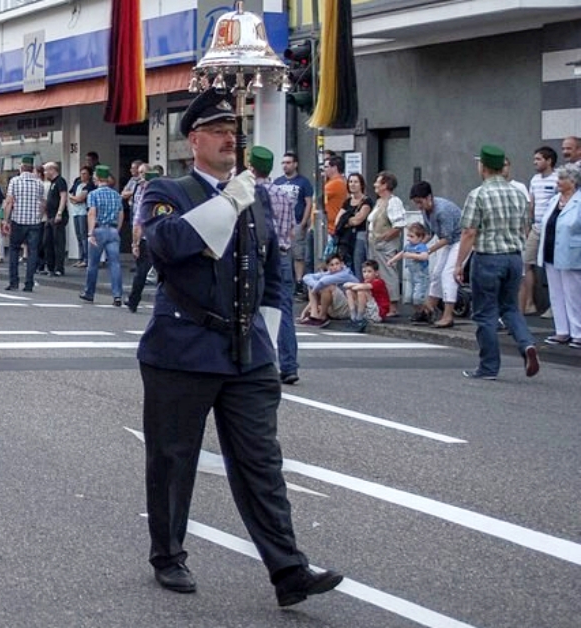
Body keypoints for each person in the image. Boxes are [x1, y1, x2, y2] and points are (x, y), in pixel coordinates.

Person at [138, 88, 342, 607]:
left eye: (235, 130)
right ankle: (168, 555)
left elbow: (274, 271)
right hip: (183, 347)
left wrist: (267, 339)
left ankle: (288, 568)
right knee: (173, 458)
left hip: (246, 351)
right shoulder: (169, 189)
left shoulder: (252, 195)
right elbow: (165, 245)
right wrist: (228, 201)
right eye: (220, 131)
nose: (231, 139)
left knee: (261, 463)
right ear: (194, 139)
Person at [456, 145, 540, 380]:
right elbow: (526, 227)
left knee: (485, 314)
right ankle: (527, 344)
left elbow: (469, 232)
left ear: (483, 167)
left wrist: (459, 263)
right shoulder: (517, 193)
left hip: (488, 258)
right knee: (511, 308)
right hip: (514, 256)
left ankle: (489, 367)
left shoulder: (478, 194)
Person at [250, 148, 300, 384]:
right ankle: (289, 365)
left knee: (253, 309)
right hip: (283, 254)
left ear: (251, 167)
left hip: (260, 256)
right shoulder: (283, 194)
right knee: (285, 311)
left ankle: (259, 363)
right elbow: (291, 229)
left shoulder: (250, 193)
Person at [536, 163, 581, 347]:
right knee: (556, 294)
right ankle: (562, 331)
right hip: (550, 251)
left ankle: (578, 332)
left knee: (574, 294)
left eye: (562, 178)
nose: (558, 181)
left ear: (573, 181)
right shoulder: (555, 200)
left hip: (572, 253)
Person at [408, 182, 463, 327]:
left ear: (429, 197)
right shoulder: (426, 210)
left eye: (420, 202)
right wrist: (418, 246)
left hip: (460, 240)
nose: (418, 206)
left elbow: (448, 237)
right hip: (447, 241)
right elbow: (429, 232)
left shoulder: (442, 210)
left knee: (448, 274)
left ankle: (448, 315)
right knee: (437, 273)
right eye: (416, 203)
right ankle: (429, 310)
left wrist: (428, 250)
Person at [79, 165, 124, 306]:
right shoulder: (117, 195)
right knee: (115, 264)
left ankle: (89, 292)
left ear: (97, 178)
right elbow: (121, 214)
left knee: (93, 264)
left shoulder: (93, 194)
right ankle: (117, 295)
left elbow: (92, 213)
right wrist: (117, 228)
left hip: (98, 230)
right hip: (113, 230)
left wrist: (90, 232)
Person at [522, 147, 558, 315]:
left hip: (552, 228)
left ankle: (554, 305)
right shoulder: (535, 179)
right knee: (527, 263)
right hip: (536, 227)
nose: (535, 162)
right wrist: (528, 227)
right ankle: (529, 303)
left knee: (552, 266)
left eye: (538, 159)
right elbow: (532, 205)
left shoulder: (558, 178)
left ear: (549, 160)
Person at [2, 156, 45, 292]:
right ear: (32, 168)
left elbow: (9, 202)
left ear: (21, 167)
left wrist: (5, 220)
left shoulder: (14, 181)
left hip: (18, 220)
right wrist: (39, 216)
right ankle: (29, 283)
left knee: (14, 250)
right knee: (33, 252)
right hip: (34, 222)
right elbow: (43, 203)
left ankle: (13, 282)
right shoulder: (39, 183)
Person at [127, 163, 164, 314]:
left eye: (143, 174)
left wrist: (135, 243)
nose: (140, 177)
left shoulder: (146, 195)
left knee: (141, 271)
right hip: (163, 237)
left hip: (147, 239)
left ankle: (133, 301)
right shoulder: (167, 193)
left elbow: (138, 221)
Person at [275, 152, 315, 285]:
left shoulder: (303, 182)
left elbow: (309, 202)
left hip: (297, 222)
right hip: (280, 225)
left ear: (295, 164)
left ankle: (298, 281)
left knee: (298, 254)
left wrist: (304, 222)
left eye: (288, 162)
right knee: (282, 253)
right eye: (283, 163)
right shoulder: (278, 182)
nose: (285, 165)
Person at [368, 171, 406, 302]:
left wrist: (384, 239)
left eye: (378, 182)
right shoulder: (379, 201)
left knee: (388, 273)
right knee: (378, 274)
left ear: (385, 185)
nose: (375, 185)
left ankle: (393, 303)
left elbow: (399, 226)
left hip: (385, 245)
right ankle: (382, 302)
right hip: (375, 243)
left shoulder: (394, 202)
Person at [300, 254, 357, 326]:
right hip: (335, 307)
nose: (335, 267)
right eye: (332, 265)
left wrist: (315, 290)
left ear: (342, 264)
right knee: (312, 285)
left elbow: (324, 281)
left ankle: (322, 316)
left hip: (347, 308)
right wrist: (304, 312)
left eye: (337, 264)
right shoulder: (328, 273)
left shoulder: (345, 274)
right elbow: (307, 277)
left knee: (328, 286)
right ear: (328, 267)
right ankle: (314, 315)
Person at [342, 260, 391, 332]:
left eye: (369, 271)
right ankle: (353, 317)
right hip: (368, 311)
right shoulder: (365, 282)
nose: (366, 274)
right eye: (364, 272)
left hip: (377, 313)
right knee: (349, 291)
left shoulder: (378, 282)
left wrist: (351, 285)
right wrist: (352, 285)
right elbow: (345, 285)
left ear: (376, 273)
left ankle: (359, 319)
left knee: (361, 291)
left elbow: (358, 287)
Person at [388, 222, 430, 306]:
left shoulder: (421, 246)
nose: (408, 239)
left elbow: (425, 256)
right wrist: (392, 260)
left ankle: (428, 310)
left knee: (418, 297)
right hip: (411, 275)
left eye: (412, 236)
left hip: (421, 276)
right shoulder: (408, 246)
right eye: (408, 236)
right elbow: (402, 253)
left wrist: (411, 255)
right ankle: (417, 313)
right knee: (409, 297)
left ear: (420, 237)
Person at [340, 172, 373, 276]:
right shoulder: (347, 201)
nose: (352, 184)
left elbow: (358, 220)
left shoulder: (366, 201)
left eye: (355, 182)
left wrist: (345, 221)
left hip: (360, 235)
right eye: (350, 181)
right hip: (347, 238)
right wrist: (347, 221)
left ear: (361, 184)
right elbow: (338, 220)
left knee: (359, 263)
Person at [41, 161, 70, 276]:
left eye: (46, 170)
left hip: (57, 216)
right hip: (50, 216)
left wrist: (59, 213)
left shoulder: (60, 181)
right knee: (47, 242)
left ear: (52, 170)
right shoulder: (52, 183)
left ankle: (59, 268)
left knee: (58, 242)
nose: (45, 173)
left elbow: (63, 197)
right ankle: (51, 266)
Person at [68, 166, 96, 266]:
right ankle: (80, 258)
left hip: (84, 212)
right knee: (78, 235)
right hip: (76, 212)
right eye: (81, 173)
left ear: (89, 175)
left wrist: (75, 199)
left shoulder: (90, 185)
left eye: (85, 173)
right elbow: (70, 195)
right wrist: (74, 198)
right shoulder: (77, 183)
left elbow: (80, 198)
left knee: (84, 235)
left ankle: (86, 259)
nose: (82, 175)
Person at [322, 155, 348, 257]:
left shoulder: (335, 183)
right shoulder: (336, 182)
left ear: (334, 168)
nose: (324, 170)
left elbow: (319, 198)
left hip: (329, 227)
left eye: (326, 167)